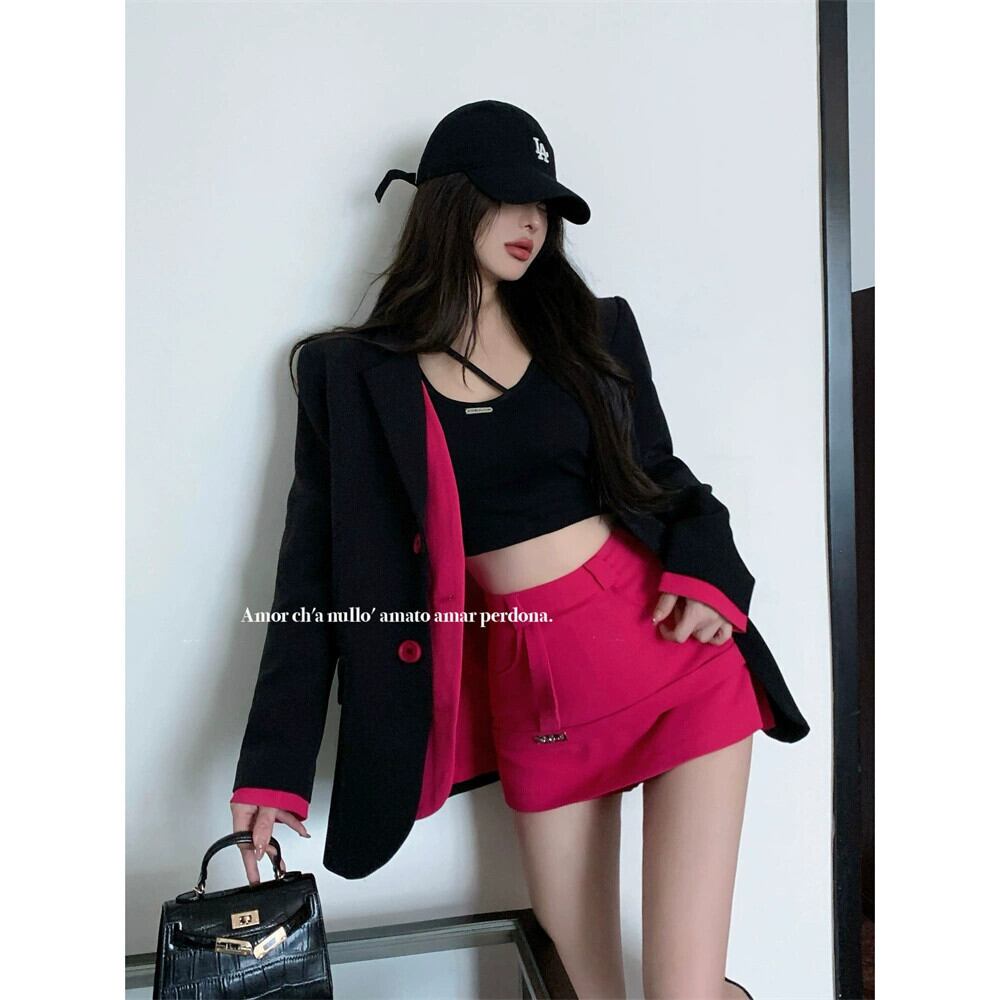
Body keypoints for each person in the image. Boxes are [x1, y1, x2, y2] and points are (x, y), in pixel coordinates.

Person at [229, 100, 809, 1000]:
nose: (531, 223)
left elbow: (663, 478)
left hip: (671, 659)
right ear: (447, 203)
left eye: (544, 206)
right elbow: (313, 577)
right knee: (590, 990)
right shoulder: (352, 375)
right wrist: (275, 768)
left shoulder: (593, 330)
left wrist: (710, 574)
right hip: (540, 698)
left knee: (683, 994)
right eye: (508, 199)